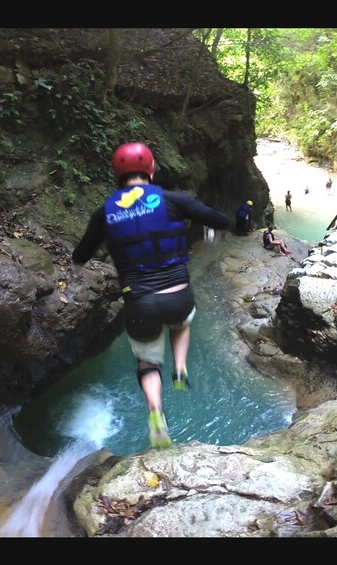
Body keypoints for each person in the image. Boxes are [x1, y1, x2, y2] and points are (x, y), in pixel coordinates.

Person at [72, 142, 231, 449]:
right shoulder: (172, 200)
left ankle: (156, 411)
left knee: (147, 363)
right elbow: (219, 220)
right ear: (151, 170)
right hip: (178, 295)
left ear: (118, 174)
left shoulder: (103, 212)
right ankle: (181, 368)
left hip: (139, 303)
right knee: (182, 321)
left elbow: (81, 256)